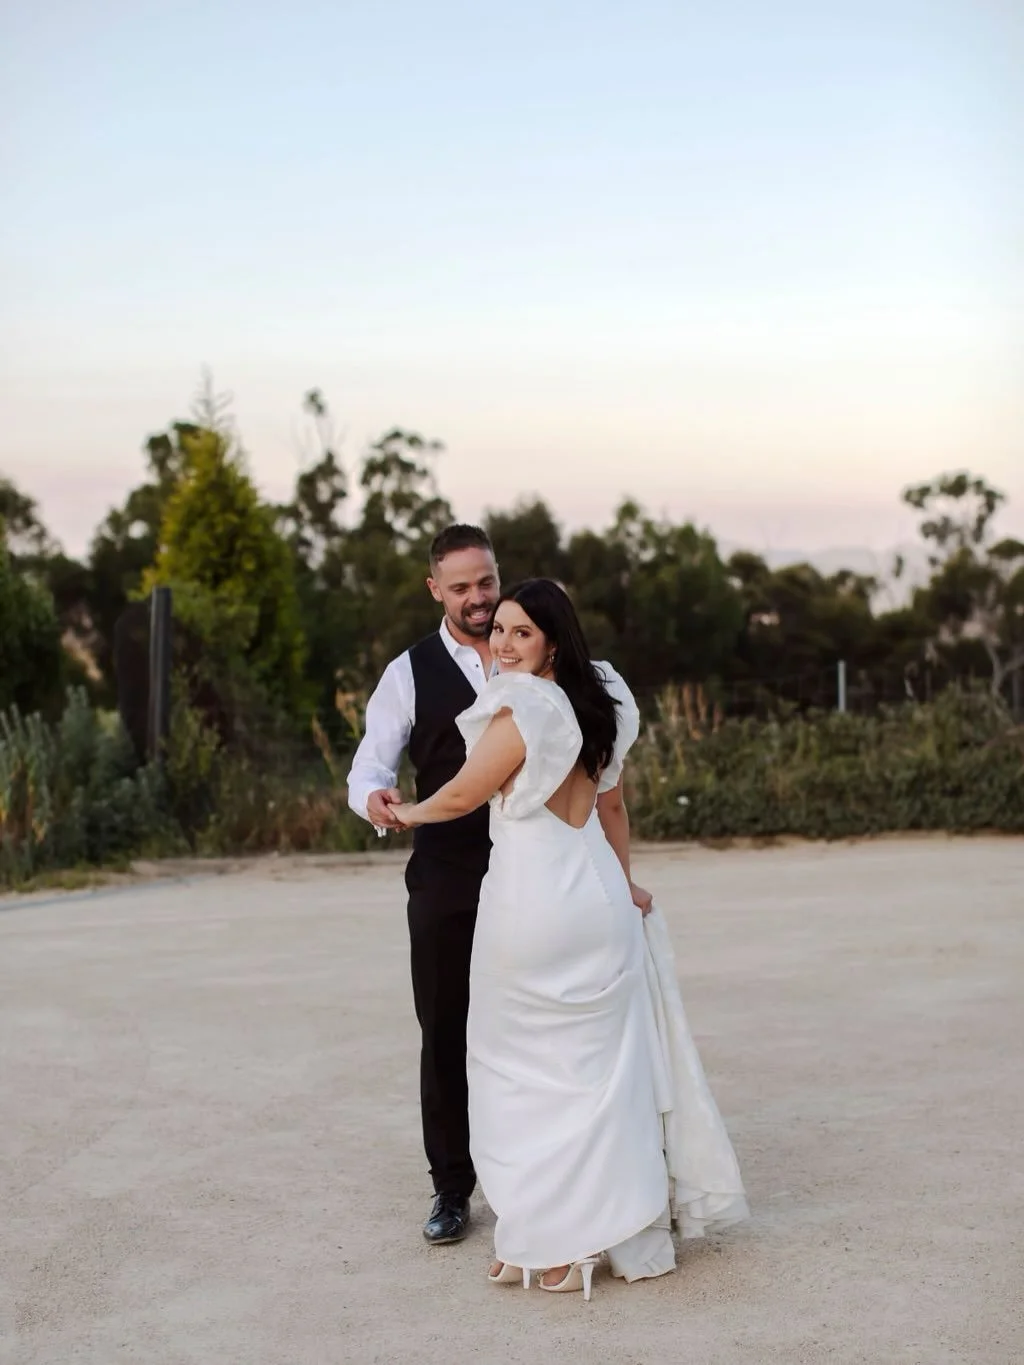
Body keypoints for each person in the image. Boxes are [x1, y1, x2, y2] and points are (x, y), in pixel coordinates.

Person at [390, 579, 748, 1299]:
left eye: (522, 632)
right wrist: (625, 882)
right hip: (593, 894)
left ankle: (549, 1236)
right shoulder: (603, 693)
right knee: (594, 1073)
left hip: (535, 900)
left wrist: (406, 811)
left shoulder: (520, 701)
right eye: (501, 631)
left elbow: (463, 793)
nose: (504, 643)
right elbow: (609, 803)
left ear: (552, 640)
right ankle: (590, 1232)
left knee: (519, 1068)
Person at [347, 528, 656, 1245]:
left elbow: (607, 795)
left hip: (541, 882)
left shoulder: (556, 662)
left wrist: (624, 880)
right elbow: (368, 767)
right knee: (447, 1028)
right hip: (450, 879)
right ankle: (453, 1187)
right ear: (435, 590)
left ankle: (559, 1187)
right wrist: (378, 803)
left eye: (486, 582)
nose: (479, 600)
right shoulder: (408, 672)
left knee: (547, 1039)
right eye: (461, 588)